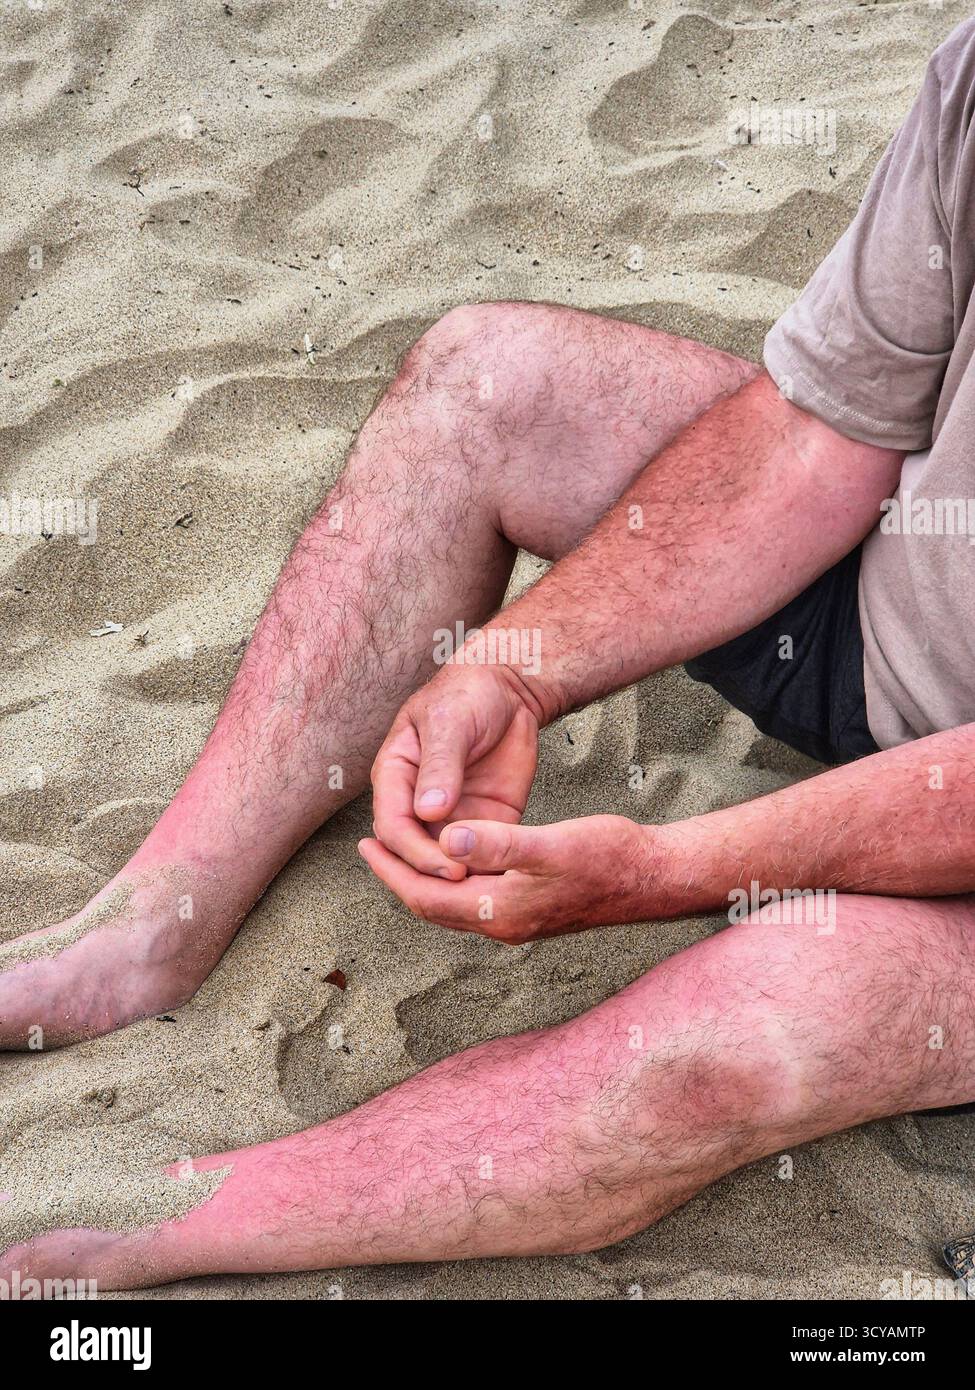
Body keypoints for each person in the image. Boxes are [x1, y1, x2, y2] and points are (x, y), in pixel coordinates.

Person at [2, 19, 975, 1293]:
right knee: (488, 381)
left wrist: (666, 868)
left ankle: (154, 1221)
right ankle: (141, 931)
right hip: (892, 635)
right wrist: (515, 664)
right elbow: (820, 433)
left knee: (758, 1033)